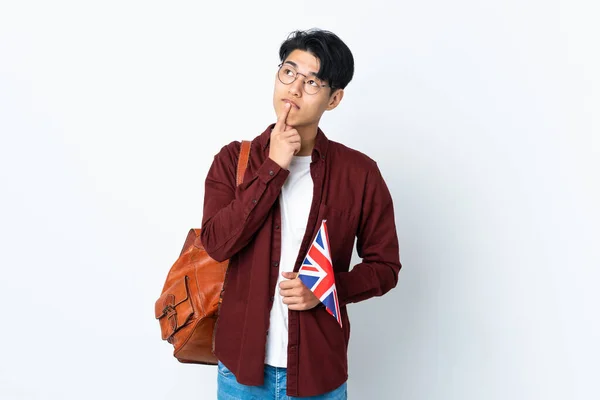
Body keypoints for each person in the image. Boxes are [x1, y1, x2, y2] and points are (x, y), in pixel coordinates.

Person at [201, 28, 402, 399]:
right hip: (241, 373)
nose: (294, 89)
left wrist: (327, 290)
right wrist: (273, 168)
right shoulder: (233, 161)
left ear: (334, 98)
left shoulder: (359, 173)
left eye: (312, 81)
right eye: (288, 72)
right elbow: (216, 244)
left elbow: (386, 267)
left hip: (318, 372)